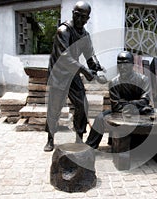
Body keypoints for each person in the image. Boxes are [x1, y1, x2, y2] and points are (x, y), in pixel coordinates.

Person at [85, 51, 157, 157]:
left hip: (142, 110)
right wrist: (137, 106)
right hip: (124, 112)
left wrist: (127, 103)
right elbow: (116, 106)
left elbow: (145, 100)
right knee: (100, 117)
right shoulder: (114, 82)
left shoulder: (142, 80)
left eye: (125, 63)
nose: (122, 67)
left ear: (132, 65)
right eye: (120, 64)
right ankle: (90, 146)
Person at [44, 1, 104, 152]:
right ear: (73, 14)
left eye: (84, 17)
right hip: (58, 74)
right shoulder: (63, 31)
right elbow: (64, 57)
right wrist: (85, 71)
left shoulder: (85, 34)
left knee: (82, 105)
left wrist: (97, 68)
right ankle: (50, 138)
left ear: (87, 18)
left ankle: (79, 137)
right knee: (54, 108)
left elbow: (90, 55)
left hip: (73, 73)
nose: (81, 20)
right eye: (78, 16)